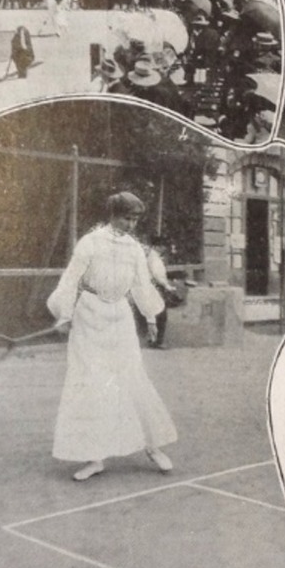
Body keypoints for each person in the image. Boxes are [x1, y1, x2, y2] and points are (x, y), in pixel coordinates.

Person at [46, 192, 177, 482]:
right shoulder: (90, 243)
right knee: (90, 384)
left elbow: (142, 285)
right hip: (89, 316)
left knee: (132, 377)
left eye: (135, 219)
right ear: (113, 215)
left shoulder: (133, 249)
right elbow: (70, 279)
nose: (131, 224)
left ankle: (152, 448)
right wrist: (64, 314)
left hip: (120, 317)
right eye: (126, 218)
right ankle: (95, 457)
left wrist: (151, 317)